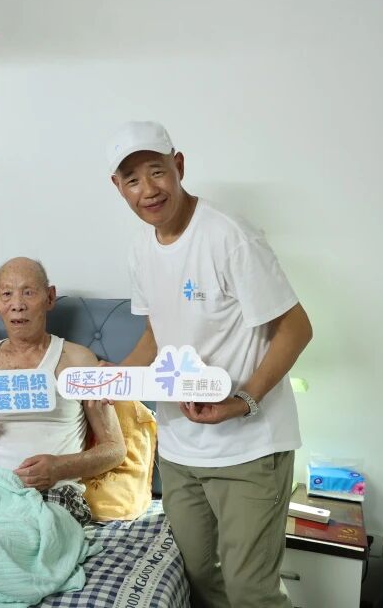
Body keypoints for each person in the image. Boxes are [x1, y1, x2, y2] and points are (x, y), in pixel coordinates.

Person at [106, 121, 313, 608]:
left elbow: (297, 328)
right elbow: (157, 336)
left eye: (156, 171)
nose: (147, 189)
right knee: (198, 578)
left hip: (249, 448)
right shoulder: (140, 250)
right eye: (132, 179)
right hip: (180, 450)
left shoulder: (228, 236)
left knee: (251, 591)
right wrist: (111, 381)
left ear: (178, 166)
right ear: (118, 188)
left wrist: (243, 400)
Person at [0, 257, 126, 523]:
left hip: (51, 494)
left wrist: (59, 468)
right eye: (7, 294)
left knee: (4, 542)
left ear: (50, 297)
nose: (17, 305)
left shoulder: (78, 360)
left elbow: (115, 449)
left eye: (28, 292)